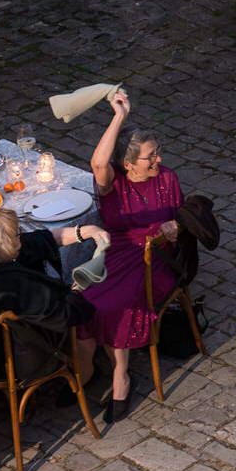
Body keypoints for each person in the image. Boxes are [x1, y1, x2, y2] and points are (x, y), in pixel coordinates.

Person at [72, 87, 182, 423]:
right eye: (150, 156)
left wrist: (174, 229)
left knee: (112, 305)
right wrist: (119, 116)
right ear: (129, 164)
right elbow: (97, 162)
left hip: (155, 261)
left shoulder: (167, 179)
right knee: (82, 299)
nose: (158, 160)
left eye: (157, 153)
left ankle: (121, 376)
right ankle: (85, 370)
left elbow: (184, 222)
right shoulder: (114, 184)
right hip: (118, 253)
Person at [0, 205, 101, 382]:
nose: (21, 236)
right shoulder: (16, 285)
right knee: (88, 324)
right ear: (4, 244)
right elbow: (67, 314)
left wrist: (86, 231)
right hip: (25, 358)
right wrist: (81, 284)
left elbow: (37, 241)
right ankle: (84, 376)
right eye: (17, 234)